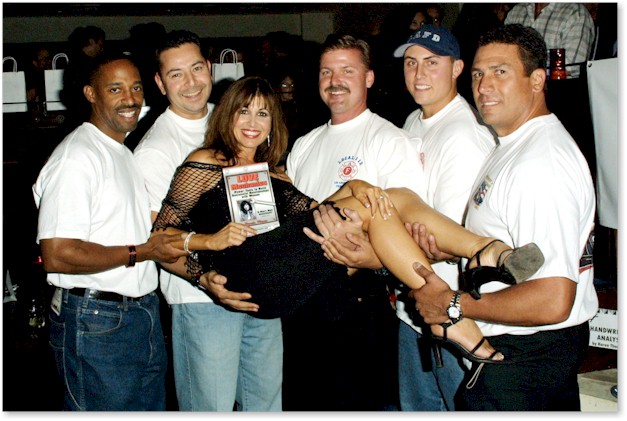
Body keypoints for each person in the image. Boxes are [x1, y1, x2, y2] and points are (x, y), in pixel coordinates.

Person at [151, 76, 545, 371]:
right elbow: (160, 237)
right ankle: (457, 301)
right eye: (244, 111)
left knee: (394, 197)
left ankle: (487, 250)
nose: (253, 122)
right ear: (228, 115)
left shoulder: (276, 173)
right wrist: (204, 259)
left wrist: (354, 188)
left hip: (281, 277)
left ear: (273, 122)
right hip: (247, 273)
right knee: (376, 202)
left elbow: (318, 213)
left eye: (263, 113)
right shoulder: (207, 161)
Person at [410, 24, 597, 411]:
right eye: (479, 74)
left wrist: (454, 304)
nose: (484, 86)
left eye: (500, 72)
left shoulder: (540, 163)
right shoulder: (515, 144)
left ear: (537, 80)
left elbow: (552, 299)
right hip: (524, 352)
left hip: (527, 353)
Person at [32, 52, 187, 411]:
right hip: (96, 319)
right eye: (115, 89)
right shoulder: (77, 157)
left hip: (139, 314)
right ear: (90, 94)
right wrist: (141, 252)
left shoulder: (120, 151)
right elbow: (58, 254)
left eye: (136, 88)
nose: (130, 99)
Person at [283, 34, 425, 410]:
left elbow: (411, 228)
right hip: (302, 302)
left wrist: (369, 258)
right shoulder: (304, 145)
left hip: (359, 302)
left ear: (369, 78)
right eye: (326, 72)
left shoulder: (390, 140)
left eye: (347, 70)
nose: (335, 81)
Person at [134, 30, 266, 412]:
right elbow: (160, 242)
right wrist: (204, 279)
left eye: (196, 68)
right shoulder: (155, 151)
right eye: (176, 74)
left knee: (265, 406)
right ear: (160, 83)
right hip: (202, 299)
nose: (190, 82)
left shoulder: (236, 119)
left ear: (210, 68)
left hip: (259, 289)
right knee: (210, 409)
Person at [390, 24, 496, 410]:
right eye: (411, 62)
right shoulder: (413, 121)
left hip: (450, 308)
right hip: (413, 305)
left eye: (432, 62)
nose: (419, 73)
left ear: (457, 68)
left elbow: (447, 238)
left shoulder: (463, 134)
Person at [504, 3, 594, 78]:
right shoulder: (517, 11)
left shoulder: (575, 13)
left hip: (555, 90)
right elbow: (502, 55)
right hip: (513, 87)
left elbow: (571, 69)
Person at [61, 25, 106, 126]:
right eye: (100, 45)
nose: (101, 49)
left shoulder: (74, 61)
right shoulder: (86, 64)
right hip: (84, 114)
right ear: (91, 42)